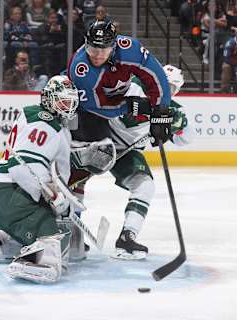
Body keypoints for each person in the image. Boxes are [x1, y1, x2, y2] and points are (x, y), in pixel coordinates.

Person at [0, 75, 79, 284]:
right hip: (9, 193)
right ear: (48, 98)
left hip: (2, 195)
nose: (67, 105)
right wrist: (51, 196)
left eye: (70, 101)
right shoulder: (45, 123)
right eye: (62, 100)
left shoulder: (40, 118)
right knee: (52, 234)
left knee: (42, 233)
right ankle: (38, 262)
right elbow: (21, 168)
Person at [67, 20, 174, 260]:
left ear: (114, 46)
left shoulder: (131, 51)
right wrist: (127, 107)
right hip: (88, 121)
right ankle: (70, 233)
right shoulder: (81, 68)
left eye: (102, 50)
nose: (96, 55)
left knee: (144, 183)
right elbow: (94, 107)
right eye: (92, 48)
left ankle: (128, 238)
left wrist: (162, 116)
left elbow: (157, 79)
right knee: (79, 174)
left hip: (121, 140)